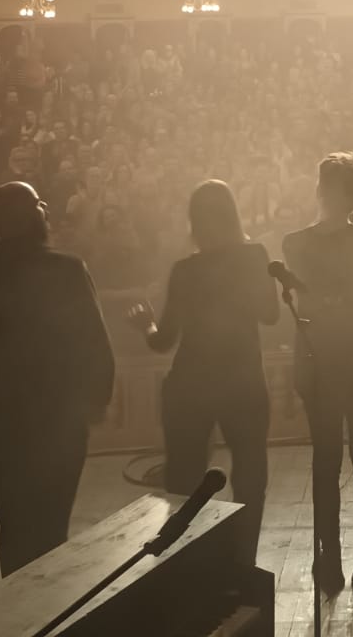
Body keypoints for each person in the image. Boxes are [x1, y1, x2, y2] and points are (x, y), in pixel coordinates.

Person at [0, 181, 116, 576]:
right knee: (51, 531)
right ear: (29, 216)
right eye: (38, 204)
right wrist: (95, 402)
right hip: (60, 424)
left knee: (14, 533)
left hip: (7, 429)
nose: (45, 208)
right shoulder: (66, 271)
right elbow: (94, 343)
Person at [131, 180, 278, 567]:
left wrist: (145, 323)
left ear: (193, 222)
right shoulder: (254, 256)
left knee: (183, 482)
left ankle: (188, 564)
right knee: (250, 476)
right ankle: (242, 563)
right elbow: (271, 315)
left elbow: (163, 341)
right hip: (243, 381)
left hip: (190, 384)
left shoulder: (184, 270)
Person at [281, 153, 353, 594]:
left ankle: (328, 558)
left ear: (321, 190)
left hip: (318, 361)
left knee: (325, 461)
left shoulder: (295, 243)